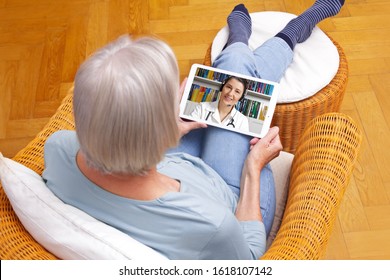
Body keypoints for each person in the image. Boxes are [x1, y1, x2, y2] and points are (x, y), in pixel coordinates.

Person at [42, 0, 344, 260]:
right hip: (230, 191)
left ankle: (243, 40)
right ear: (154, 129)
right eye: (173, 94)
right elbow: (250, 258)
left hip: (166, 163)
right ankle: (282, 35)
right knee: (236, 72)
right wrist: (254, 167)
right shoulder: (214, 226)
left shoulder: (58, 148)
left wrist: (169, 130)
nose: (179, 93)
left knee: (232, 78)